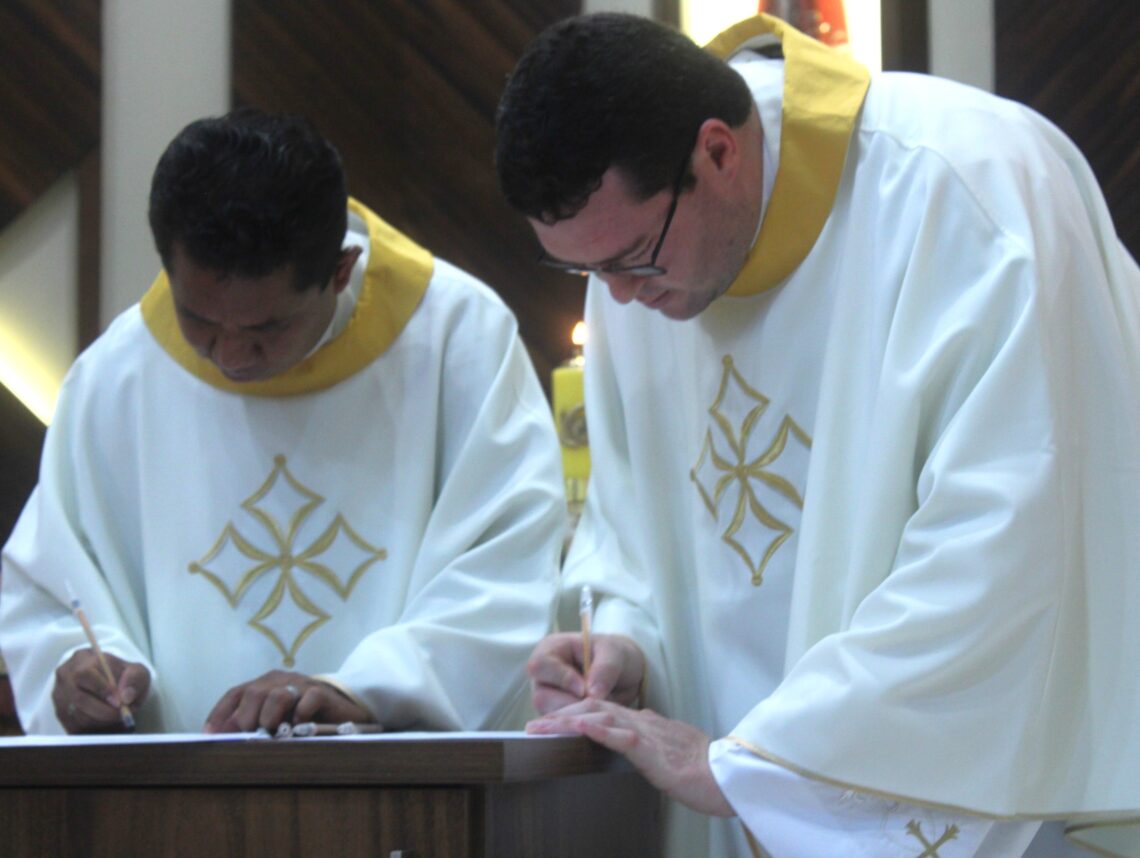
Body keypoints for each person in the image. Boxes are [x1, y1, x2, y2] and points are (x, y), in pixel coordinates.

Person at [495, 12, 1140, 857]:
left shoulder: (970, 185)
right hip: (735, 806)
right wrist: (620, 641)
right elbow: (626, 530)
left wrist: (768, 760)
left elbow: (1016, 545)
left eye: (631, 262)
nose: (616, 301)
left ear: (717, 151)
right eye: (585, 272)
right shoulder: (637, 268)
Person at [0, 109, 566, 737]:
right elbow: (52, 590)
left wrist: (363, 689)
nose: (231, 356)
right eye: (201, 322)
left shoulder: (458, 341)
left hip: (406, 797)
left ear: (341, 271)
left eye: (266, 328)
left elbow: (507, 568)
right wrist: (88, 670)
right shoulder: (118, 376)